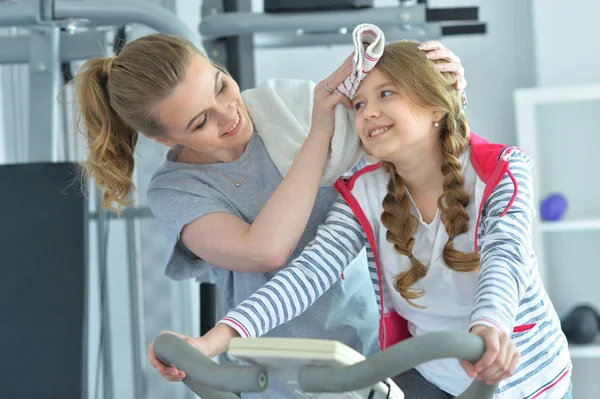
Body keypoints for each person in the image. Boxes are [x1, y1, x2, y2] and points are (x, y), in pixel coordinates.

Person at [72, 33, 466, 398]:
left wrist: (439, 90)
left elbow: (397, 142)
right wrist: (319, 133)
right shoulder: (177, 190)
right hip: (286, 371)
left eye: (221, 87)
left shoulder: (284, 104)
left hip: (381, 346)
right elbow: (268, 251)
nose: (228, 115)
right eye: (200, 122)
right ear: (165, 138)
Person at [181, 41, 573, 399]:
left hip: (526, 379)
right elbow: (307, 274)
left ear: (435, 104)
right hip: (432, 376)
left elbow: (506, 257)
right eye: (359, 105)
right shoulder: (364, 193)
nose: (368, 112)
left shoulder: (501, 171)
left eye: (386, 94)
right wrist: (215, 340)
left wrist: (490, 327)